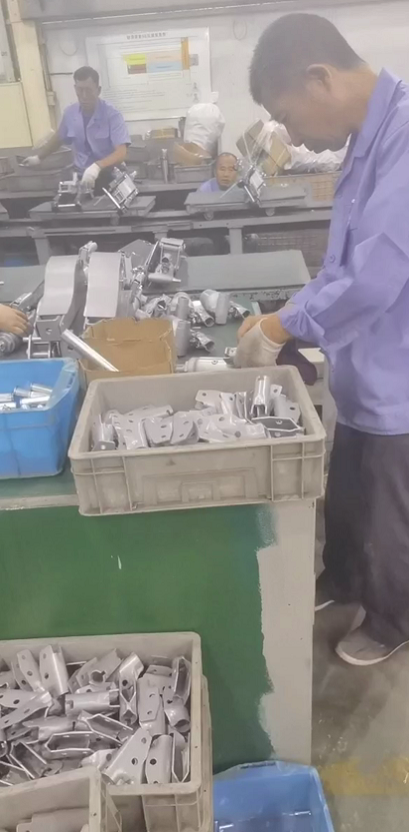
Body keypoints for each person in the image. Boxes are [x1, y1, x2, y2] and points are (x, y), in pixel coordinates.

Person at [237, 12, 409, 666]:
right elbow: (339, 267)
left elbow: (374, 276)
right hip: (365, 369)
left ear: (320, 78)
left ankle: (392, 619)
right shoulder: (364, 142)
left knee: (390, 513)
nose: (294, 137)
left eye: (287, 116)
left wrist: (285, 326)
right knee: (350, 492)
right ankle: (344, 579)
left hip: (398, 376)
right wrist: (285, 314)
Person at [23, 66, 130, 192]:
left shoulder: (112, 115)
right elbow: (58, 138)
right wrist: (38, 158)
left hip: (110, 177)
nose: (84, 96)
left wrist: (97, 167)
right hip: (81, 177)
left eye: (89, 90)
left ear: (98, 90)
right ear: (75, 89)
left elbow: (121, 153)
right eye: (80, 90)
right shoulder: (70, 113)